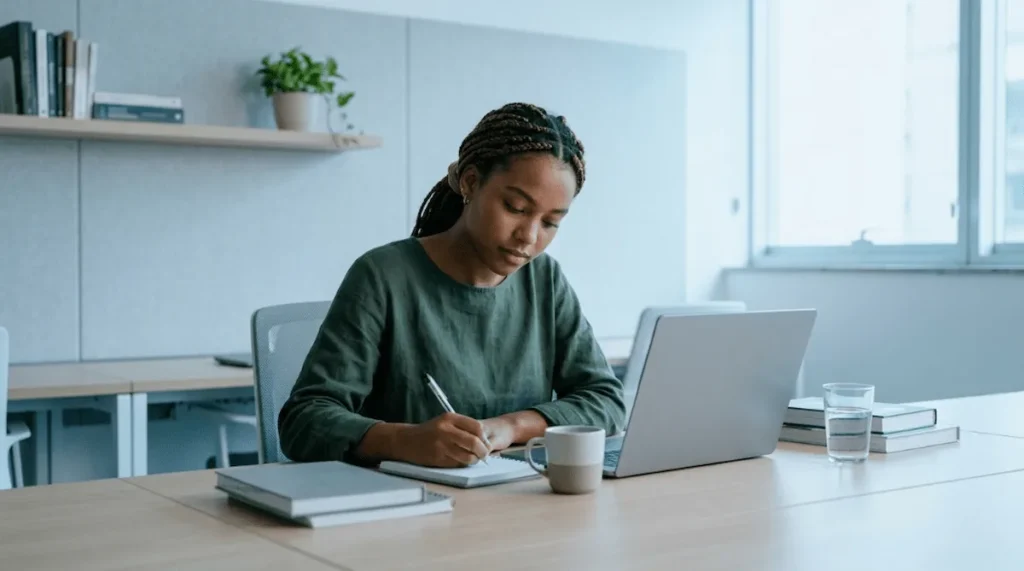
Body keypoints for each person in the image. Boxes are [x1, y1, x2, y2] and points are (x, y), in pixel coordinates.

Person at [277, 102, 626, 468]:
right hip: (406, 508)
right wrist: (403, 440)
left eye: (551, 222)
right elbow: (305, 421)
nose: (529, 236)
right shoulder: (383, 276)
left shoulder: (545, 280)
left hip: (516, 505)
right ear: (471, 182)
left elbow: (605, 400)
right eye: (516, 208)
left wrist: (511, 426)